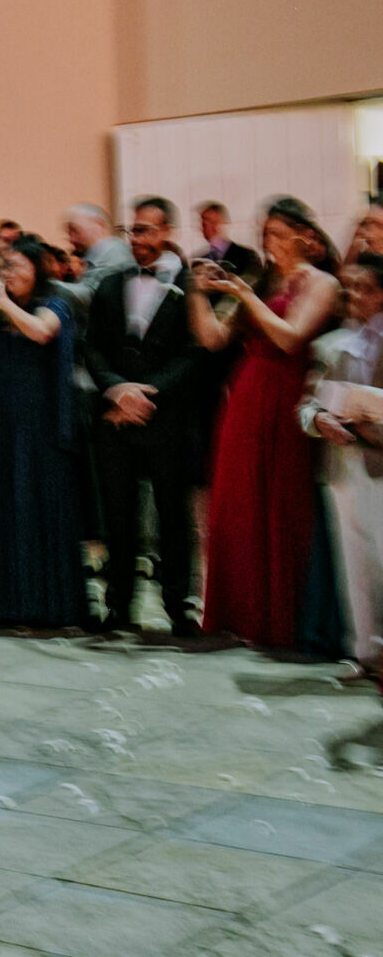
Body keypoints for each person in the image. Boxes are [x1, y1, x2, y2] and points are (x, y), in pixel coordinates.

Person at [189, 197, 341, 646]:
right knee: (237, 507)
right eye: (264, 233)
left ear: (303, 235)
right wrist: (198, 292)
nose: (267, 241)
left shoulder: (321, 282)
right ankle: (238, 612)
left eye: (275, 232)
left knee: (281, 503)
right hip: (245, 397)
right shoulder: (260, 281)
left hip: (286, 395)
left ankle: (282, 619)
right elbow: (214, 339)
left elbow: (291, 337)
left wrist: (245, 295)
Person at [82, 196, 204, 635]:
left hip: (166, 417)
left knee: (173, 516)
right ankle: (119, 606)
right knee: (118, 515)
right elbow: (92, 345)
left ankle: (178, 606)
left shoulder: (190, 284)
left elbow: (194, 351)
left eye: (147, 230)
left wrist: (148, 393)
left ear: (167, 231)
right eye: (133, 230)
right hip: (115, 418)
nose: (138, 239)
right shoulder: (111, 284)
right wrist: (117, 389)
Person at [0, 236, 87, 628]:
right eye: (5, 267)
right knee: (4, 504)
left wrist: (1, 301)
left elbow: (40, 333)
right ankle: (4, 602)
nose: (8, 274)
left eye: (16, 267)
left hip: (43, 421)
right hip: (2, 420)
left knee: (40, 504)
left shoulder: (55, 305)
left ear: (37, 269)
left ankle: (49, 605)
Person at [300, 252, 383, 678]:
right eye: (349, 286)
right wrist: (320, 419)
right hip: (343, 465)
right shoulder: (331, 344)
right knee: (354, 566)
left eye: (364, 288)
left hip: (380, 462)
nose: (353, 295)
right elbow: (307, 404)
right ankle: (363, 652)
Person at [63, 203, 132, 276]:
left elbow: (90, 286)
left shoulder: (117, 256)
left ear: (99, 224)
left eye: (76, 230)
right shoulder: (86, 258)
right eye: (69, 232)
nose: (71, 239)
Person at [196, 202, 260, 275]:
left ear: (224, 223)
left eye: (213, 222)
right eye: (204, 223)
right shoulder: (199, 261)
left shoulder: (246, 256)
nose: (208, 227)